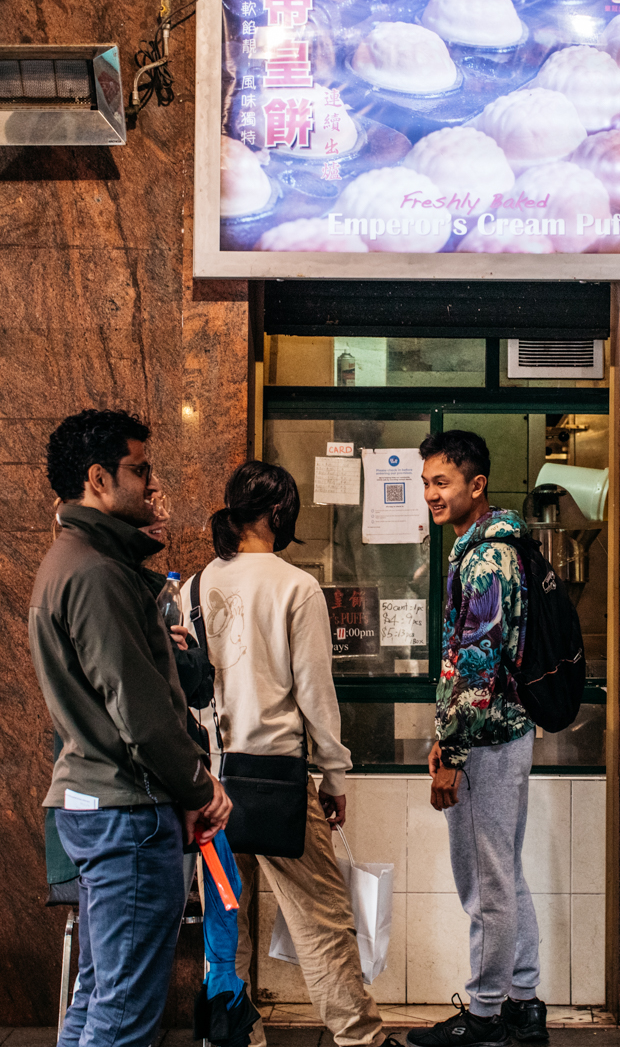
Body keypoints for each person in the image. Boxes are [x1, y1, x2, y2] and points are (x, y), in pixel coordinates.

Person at [29, 409, 232, 1047]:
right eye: (139, 469)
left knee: (96, 998)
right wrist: (199, 787)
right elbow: (140, 714)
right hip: (127, 810)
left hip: (98, 805)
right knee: (122, 1017)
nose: (150, 484)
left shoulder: (73, 562)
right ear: (98, 478)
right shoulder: (97, 572)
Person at [179, 460, 400, 1047]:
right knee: (321, 921)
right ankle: (360, 1038)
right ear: (280, 513)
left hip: (210, 785)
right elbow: (314, 695)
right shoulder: (296, 587)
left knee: (226, 921)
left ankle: (234, 1036)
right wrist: (333, 775)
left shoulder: (193, 588)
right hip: (276, 780)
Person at [409, 430, 548, 1047]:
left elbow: (476, 663)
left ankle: (487, 1014)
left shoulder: (489, 557)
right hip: (495, 735)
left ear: (476, 485)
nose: (431, 494)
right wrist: (447, 735)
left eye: (442, 481)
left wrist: (454, 753)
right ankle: (523, 1003)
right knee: (504, 873)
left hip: (488, 741)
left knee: (485, 881)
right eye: (426, 482)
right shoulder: (487, 546)